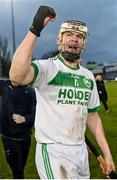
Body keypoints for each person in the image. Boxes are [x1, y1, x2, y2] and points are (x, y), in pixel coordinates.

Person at [9, 6, 115, 179]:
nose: (74, 39)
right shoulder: (48, 68)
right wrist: (36, 28)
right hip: (54, 152)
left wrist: (107, 154)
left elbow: (93, 117)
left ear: (83, 43)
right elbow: (16, 75)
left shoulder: (88, 77)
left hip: (80, 151)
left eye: (79, 36)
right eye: (69, 35)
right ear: (59, 40)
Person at [0, 78, 36, 179]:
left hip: (25, 137)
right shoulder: (4, 85)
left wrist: (24, 119)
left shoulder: (31, 92)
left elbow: (36, 114)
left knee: (20, 169)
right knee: (18, 172)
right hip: (9, 138)